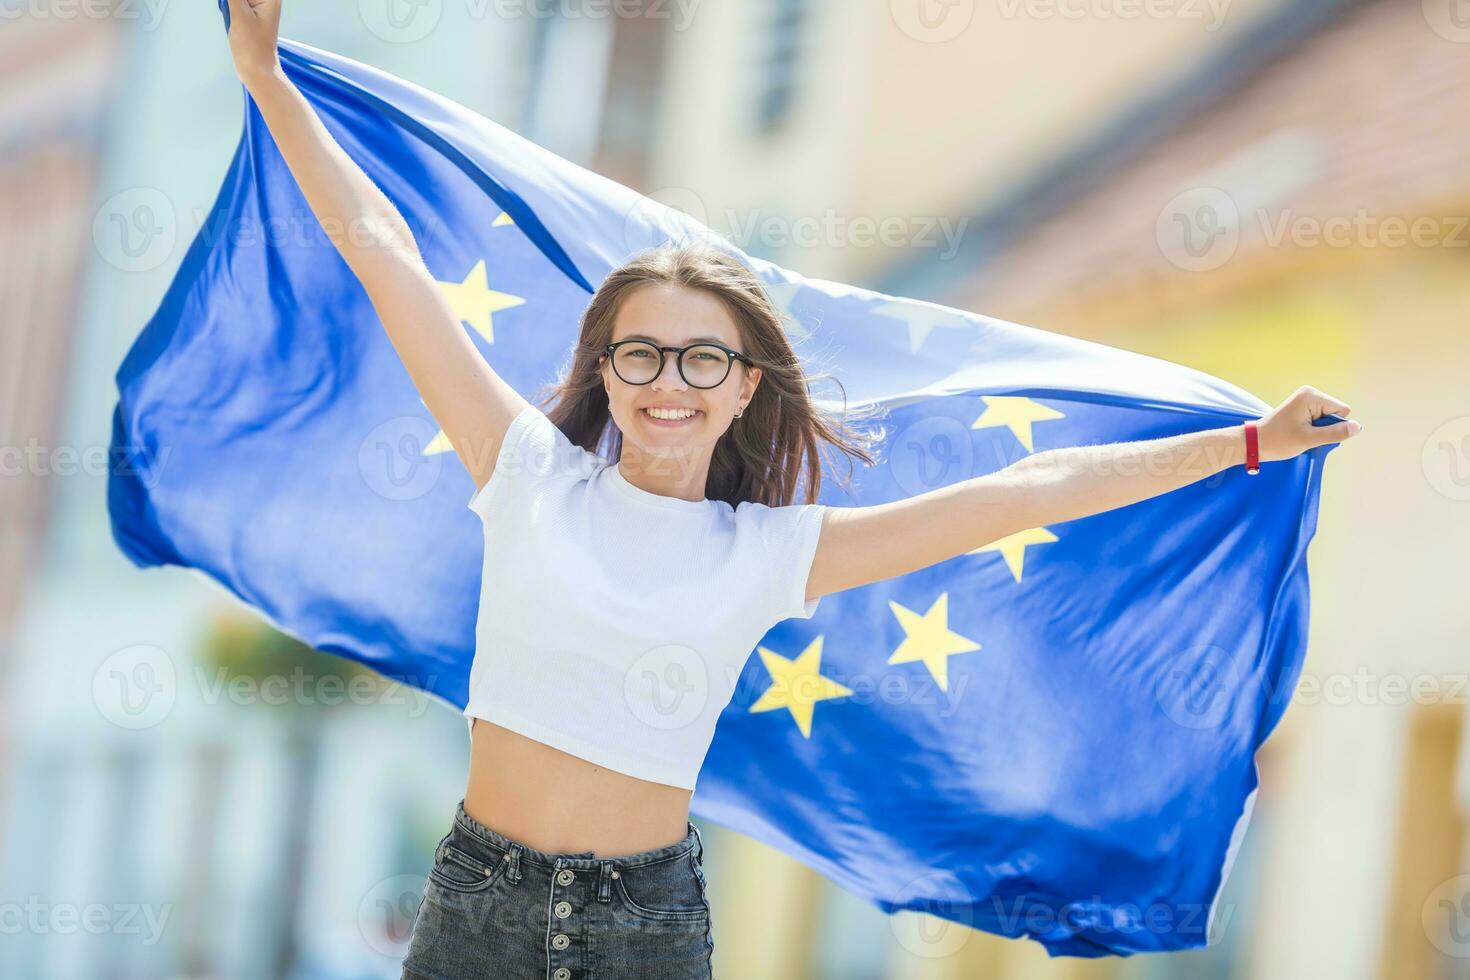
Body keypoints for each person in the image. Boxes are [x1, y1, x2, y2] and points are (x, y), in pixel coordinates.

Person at [223, 1, 1364, 976]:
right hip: (480, 907)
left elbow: (1030, 489)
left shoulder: (768, 548)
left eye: (702, 359)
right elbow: (384, 253)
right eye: (641, 354)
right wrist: (268, 82)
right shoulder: (525, 472)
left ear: (741, 389)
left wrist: (1246, 447)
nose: (670, 382)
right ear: (605, 375)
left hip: (647, 923)